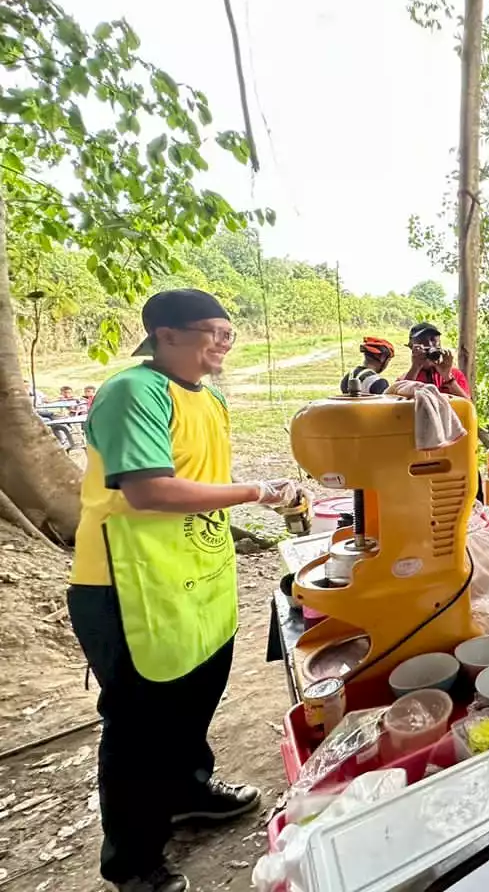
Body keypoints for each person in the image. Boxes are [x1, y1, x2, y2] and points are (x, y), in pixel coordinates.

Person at [67, 289, 301, 892]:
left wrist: (256, 494)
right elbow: (149, 490)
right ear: (165, 334)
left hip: (196, 574)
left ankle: (188, 791)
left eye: (229, 332)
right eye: (212, 332)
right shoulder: (133, 392)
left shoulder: (212, 400)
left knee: (198, 691)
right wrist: (253, 492)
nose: (224, 342)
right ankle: (134, 861)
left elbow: (202, 480)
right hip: (128, 584)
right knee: (139, 724)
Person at [401, 322, 471, 398]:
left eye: (433, 340)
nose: (429, 345)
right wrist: (415, 368)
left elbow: (468, 405)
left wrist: (447, 378)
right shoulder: (405, 379)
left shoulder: (455, 374)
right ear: (412, 347)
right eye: (422, 341)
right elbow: (399, 405)